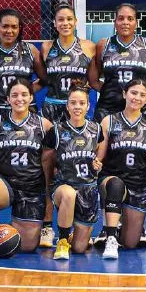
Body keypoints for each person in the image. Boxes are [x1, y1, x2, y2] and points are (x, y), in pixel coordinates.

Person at [0, 78, 53, 257]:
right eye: (14, 95)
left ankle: (3, 227)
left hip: (31, 188)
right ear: (8, 100)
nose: (19, 99)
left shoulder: (43, 125)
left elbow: (53, 159)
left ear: (31, 98)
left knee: (27, 246)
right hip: (4, 184)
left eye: (24, 95)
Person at [38, 3, 96, 247]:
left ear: (75, 22)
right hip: (53, 108)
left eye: (69, 19)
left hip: (76, 109)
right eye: (60, 19)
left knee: (77, 165)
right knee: (49, 168)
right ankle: (46, 227)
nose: (65, 24)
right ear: (54, 23)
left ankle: (77, 225)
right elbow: (42, 80)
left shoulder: (88, 47)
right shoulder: (46, 48)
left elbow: (94, 80)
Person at [94, 79, 146, 259]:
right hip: (112, 179)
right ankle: (110, 237)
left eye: (142, 95)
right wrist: (96, 162)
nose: (137, 97)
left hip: (139, 184)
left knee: (130, 243)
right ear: (125, 94)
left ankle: (127, 227)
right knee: (116, 185)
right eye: (133, 93)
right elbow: (100, 154)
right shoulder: (109, 121)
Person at [43, 84, 103, 260]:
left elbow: (98, 153)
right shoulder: (57, 131)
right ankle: (61, 241)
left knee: (79, 248)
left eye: (81, 103)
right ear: (67, 106)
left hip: (88, 190)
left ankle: (72, 237)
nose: (77, 107)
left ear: (88, 106)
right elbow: (47, 158)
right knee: (69, 194)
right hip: (64, 186)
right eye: (73, 103)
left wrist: (97, 164)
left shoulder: (96, 130)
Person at [89, 3, 146, 124]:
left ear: (137, 22)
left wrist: (144, 87)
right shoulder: (103, 45)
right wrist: (110, 89)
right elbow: (93, 80)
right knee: (102, 143)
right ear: (114, 22)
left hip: (140, 108)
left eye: (130, 19)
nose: (125, 22)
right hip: (108, 108)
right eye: (121, 18)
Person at [0, 8, 47, 120]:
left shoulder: (30, 50)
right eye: (5, 26)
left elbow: (46, 79)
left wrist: (27, 90)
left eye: (14, 27)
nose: (9, 31)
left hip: (25, 111)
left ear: (19, 28)